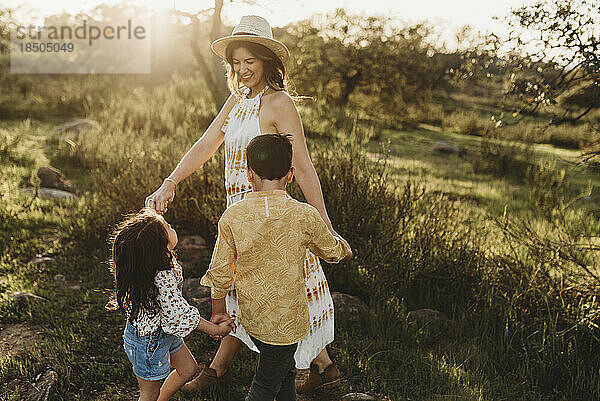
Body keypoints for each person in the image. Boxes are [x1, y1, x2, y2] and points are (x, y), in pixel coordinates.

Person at [145, 14, 351, 394]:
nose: (241, 70)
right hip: (240, 212)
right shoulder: (237, 101)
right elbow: (206, 145)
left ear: (267, 62)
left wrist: (324, 224)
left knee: (290, 289)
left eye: (249, 62)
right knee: (245, 285)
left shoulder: (279, 103)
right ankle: (322, 368)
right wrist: (171, 180)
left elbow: (302, 166)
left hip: (274, 217)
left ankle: (241, 369)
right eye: (235, 63)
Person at [201, 134, 352, 401]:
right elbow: (331, 251)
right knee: (263, 387)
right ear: (291, 174)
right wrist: (345, 250)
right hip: (288, 321)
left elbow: (221, 271)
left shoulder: (233, 216)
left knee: (284, 375)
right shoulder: (304, 214)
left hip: (255, 318)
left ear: (249, 174)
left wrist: (219, 311)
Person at [107, 208, 235, 401]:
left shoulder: (150, 261)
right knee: (148, 393)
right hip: (149, 341)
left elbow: (143, 234)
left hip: (163, 331)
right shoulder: (161, 275)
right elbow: (177, 313)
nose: (171, 226)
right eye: (167, 226)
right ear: (160, 244)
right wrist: (211, 328)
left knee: (188, 368)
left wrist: (152, 212)